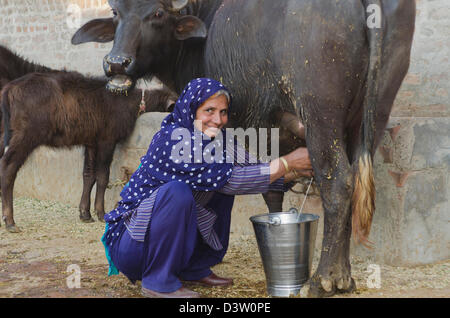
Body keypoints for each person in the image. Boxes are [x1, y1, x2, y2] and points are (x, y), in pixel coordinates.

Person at [101, 78, 313, 298]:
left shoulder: (220, 141)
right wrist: (287, 163)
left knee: (219, 185)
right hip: (132, 246)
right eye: (209, 110)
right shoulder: (173, 140)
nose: (218, 119)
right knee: (179, 192)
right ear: (191, 109)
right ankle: (158, 282)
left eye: (223, 112)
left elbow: (255, 168)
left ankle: (193, 268)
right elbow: (234, 179)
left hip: (159, 244)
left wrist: (295, 172)